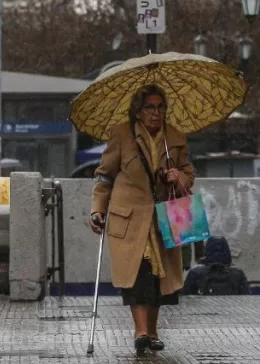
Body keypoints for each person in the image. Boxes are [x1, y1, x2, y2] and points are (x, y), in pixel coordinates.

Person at [88, 85, 195, 355]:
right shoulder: (121, 135)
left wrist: (176, 177)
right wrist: (97, 209)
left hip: (164, 219)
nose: (156, 113)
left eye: (161, 107)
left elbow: (189, 176)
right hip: (130, 219)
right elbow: (105, 177)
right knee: (138, 276)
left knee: (160, 278)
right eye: (150, 107)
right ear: (138, 110)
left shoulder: (176, 138)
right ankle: (141, 331)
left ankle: (154, 331)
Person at [182, 236, 250, 296]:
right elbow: (246, 298)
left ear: (207, 250)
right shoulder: (238, 273)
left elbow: (185, 296)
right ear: (227, 251)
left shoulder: (195, 272)